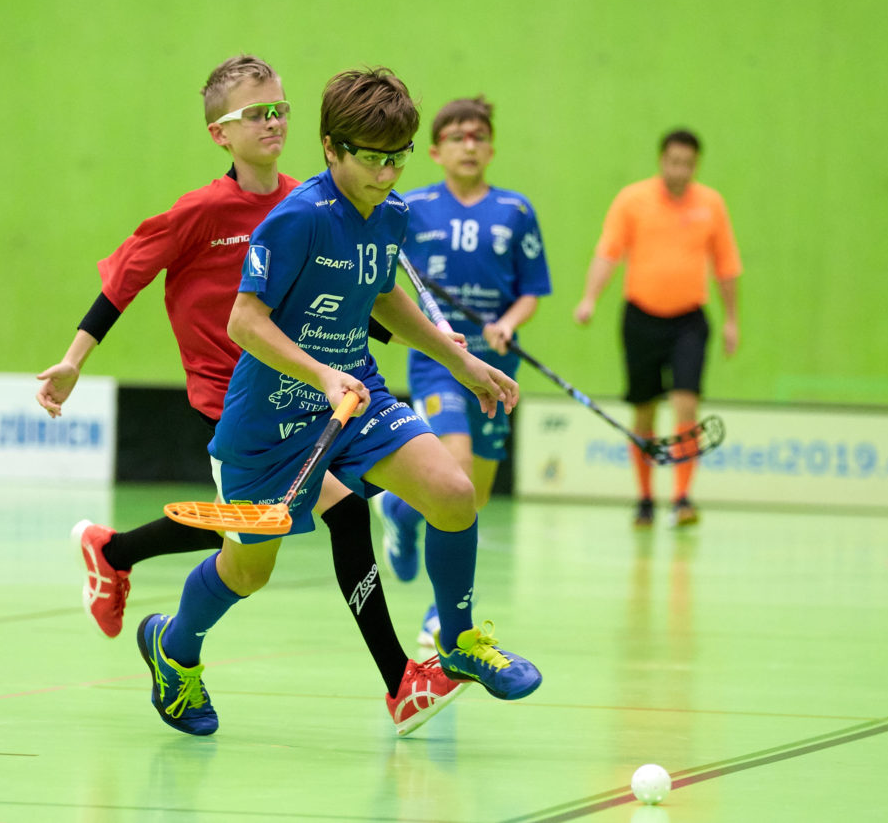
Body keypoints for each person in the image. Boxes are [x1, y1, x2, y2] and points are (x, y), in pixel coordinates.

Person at [35, 55, 462, 736]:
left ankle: (119, 560)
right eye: (255, 113)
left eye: (280, 109)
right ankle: (161, 624)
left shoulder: (319, 197)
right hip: (232, 399)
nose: (273, 121)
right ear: (219, 134)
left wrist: (430, 340)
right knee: (277, 539)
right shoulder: (200, 211)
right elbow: (125, 279)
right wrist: (71, 359)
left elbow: (353, 292)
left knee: (294, 525)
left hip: (318, 397)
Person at [135, 66, 542, 737]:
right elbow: (244, 322)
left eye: (397, 158)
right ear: (331, 147)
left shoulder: (392, 213)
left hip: (358, 400)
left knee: (453, 492)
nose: (386, 175)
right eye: (371, 159)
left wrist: (461, 361)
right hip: (268, 426)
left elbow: (382, 294)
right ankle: (172, 649)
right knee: (246, 571)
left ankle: (459, 640)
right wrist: (321, 374)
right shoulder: (296, 220)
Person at [375, 96, 552, 648]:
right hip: (440, 361)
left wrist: (509, 322)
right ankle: (438, 608)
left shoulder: (516, 211)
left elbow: (532, 290)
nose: (469, 145)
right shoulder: (411, 206)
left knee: (475, 493)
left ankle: (402, 514)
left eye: (478, 136)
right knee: (456, 464)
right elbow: (382, 269)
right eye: (457, 137)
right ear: (436, 150)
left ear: (491, 147)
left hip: (496, 364)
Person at [573, 128, 741, 528]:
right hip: (641, 319)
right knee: (644, 412)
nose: (679, 169)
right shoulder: (633, 200)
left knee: (686, 403)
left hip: (689, 320)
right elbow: (608, 252)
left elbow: (727, 266)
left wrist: (733, 320)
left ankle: (682, 498)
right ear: (661, 160)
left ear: (695, 165)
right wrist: (589, 298)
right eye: (673, 161)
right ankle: (645, 499)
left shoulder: (711, 205)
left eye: (688, 163)